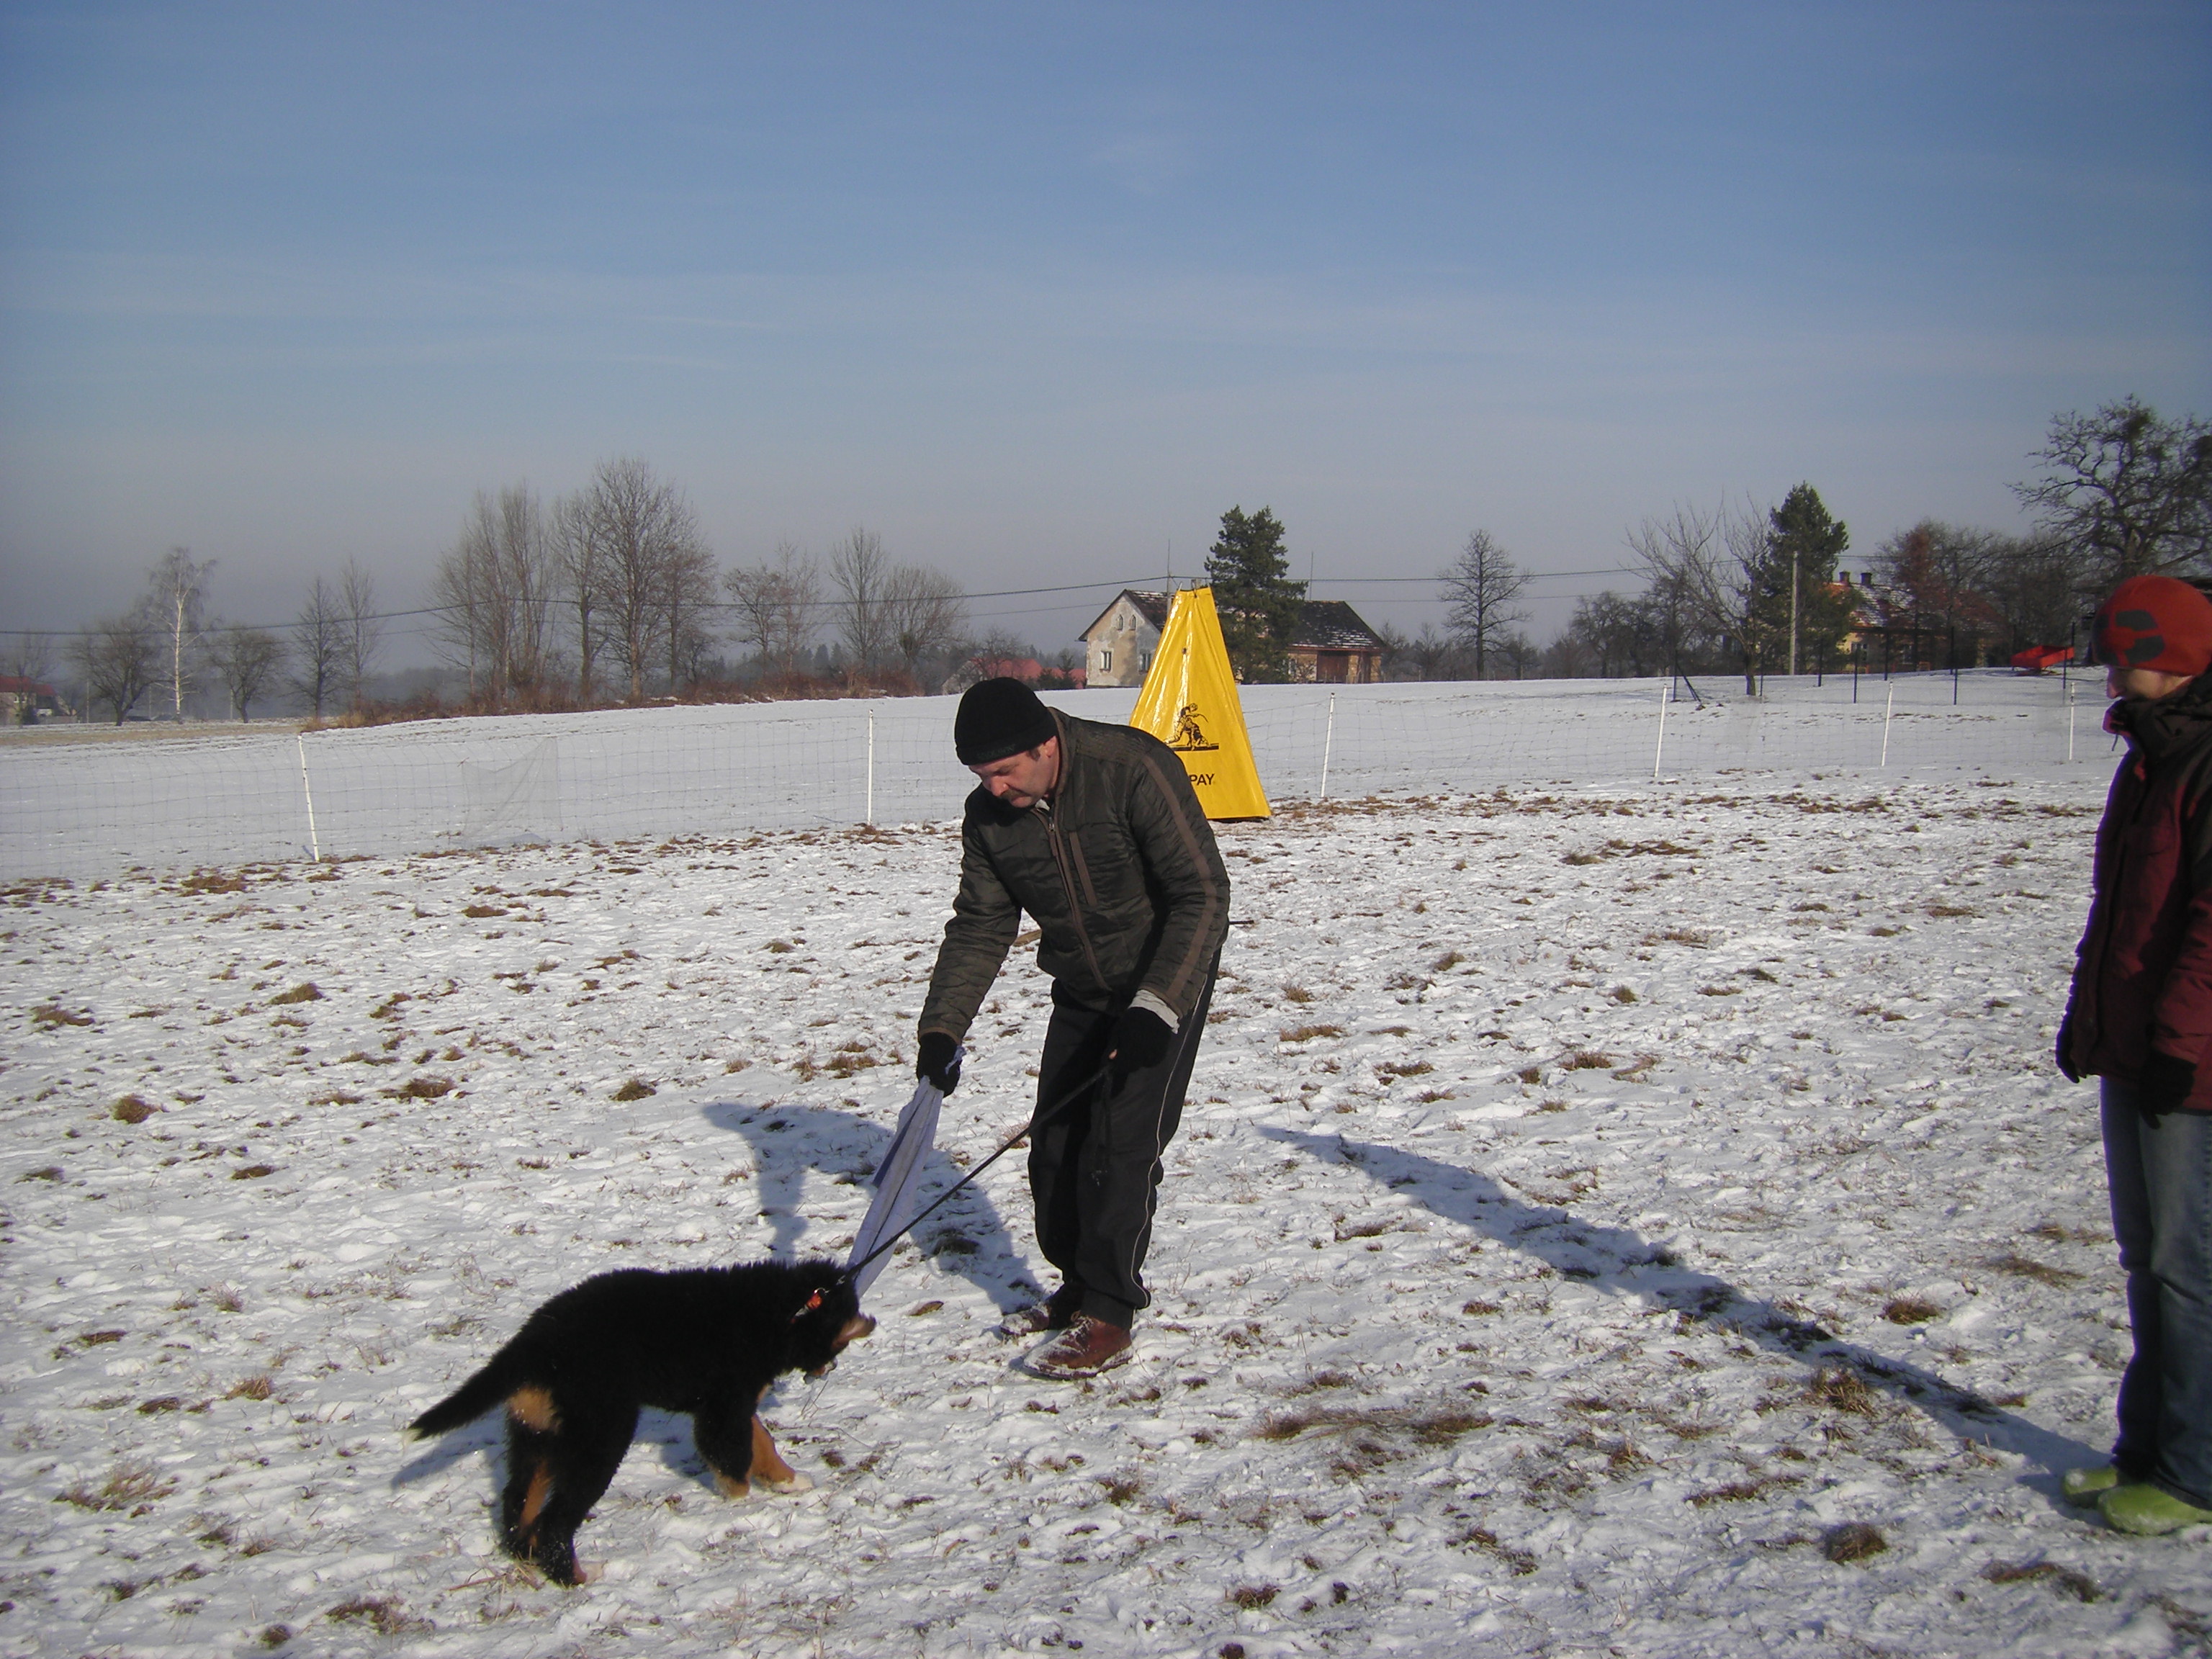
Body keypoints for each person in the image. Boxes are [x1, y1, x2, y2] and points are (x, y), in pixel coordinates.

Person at [914, 677, 1231, 1379]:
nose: (992, 788)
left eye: (1002, 771)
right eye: (979, 775)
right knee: (1054, 1147)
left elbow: (1203, 891)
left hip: (1163, 981)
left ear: (1046, 744)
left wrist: (1158, 1006)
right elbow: (981, 925)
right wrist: (941, 1030)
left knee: (1123, 1141)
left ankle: (1110, 1311)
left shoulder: (1132, 768)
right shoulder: (990, 818)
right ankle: (1077, 1287)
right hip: (1083, 987)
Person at [2057, 574, 2212, 1535]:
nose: (2119, 663)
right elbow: (2117, 910)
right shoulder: (2147, 755)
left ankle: (2195, 1475)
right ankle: (2144, 1452)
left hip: (2187, 1061)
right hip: (2132, 1046)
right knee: (2142, 1260)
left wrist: (2176, 1047)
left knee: (2188, 1268)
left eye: (2136, 647)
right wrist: (2089, 1019)